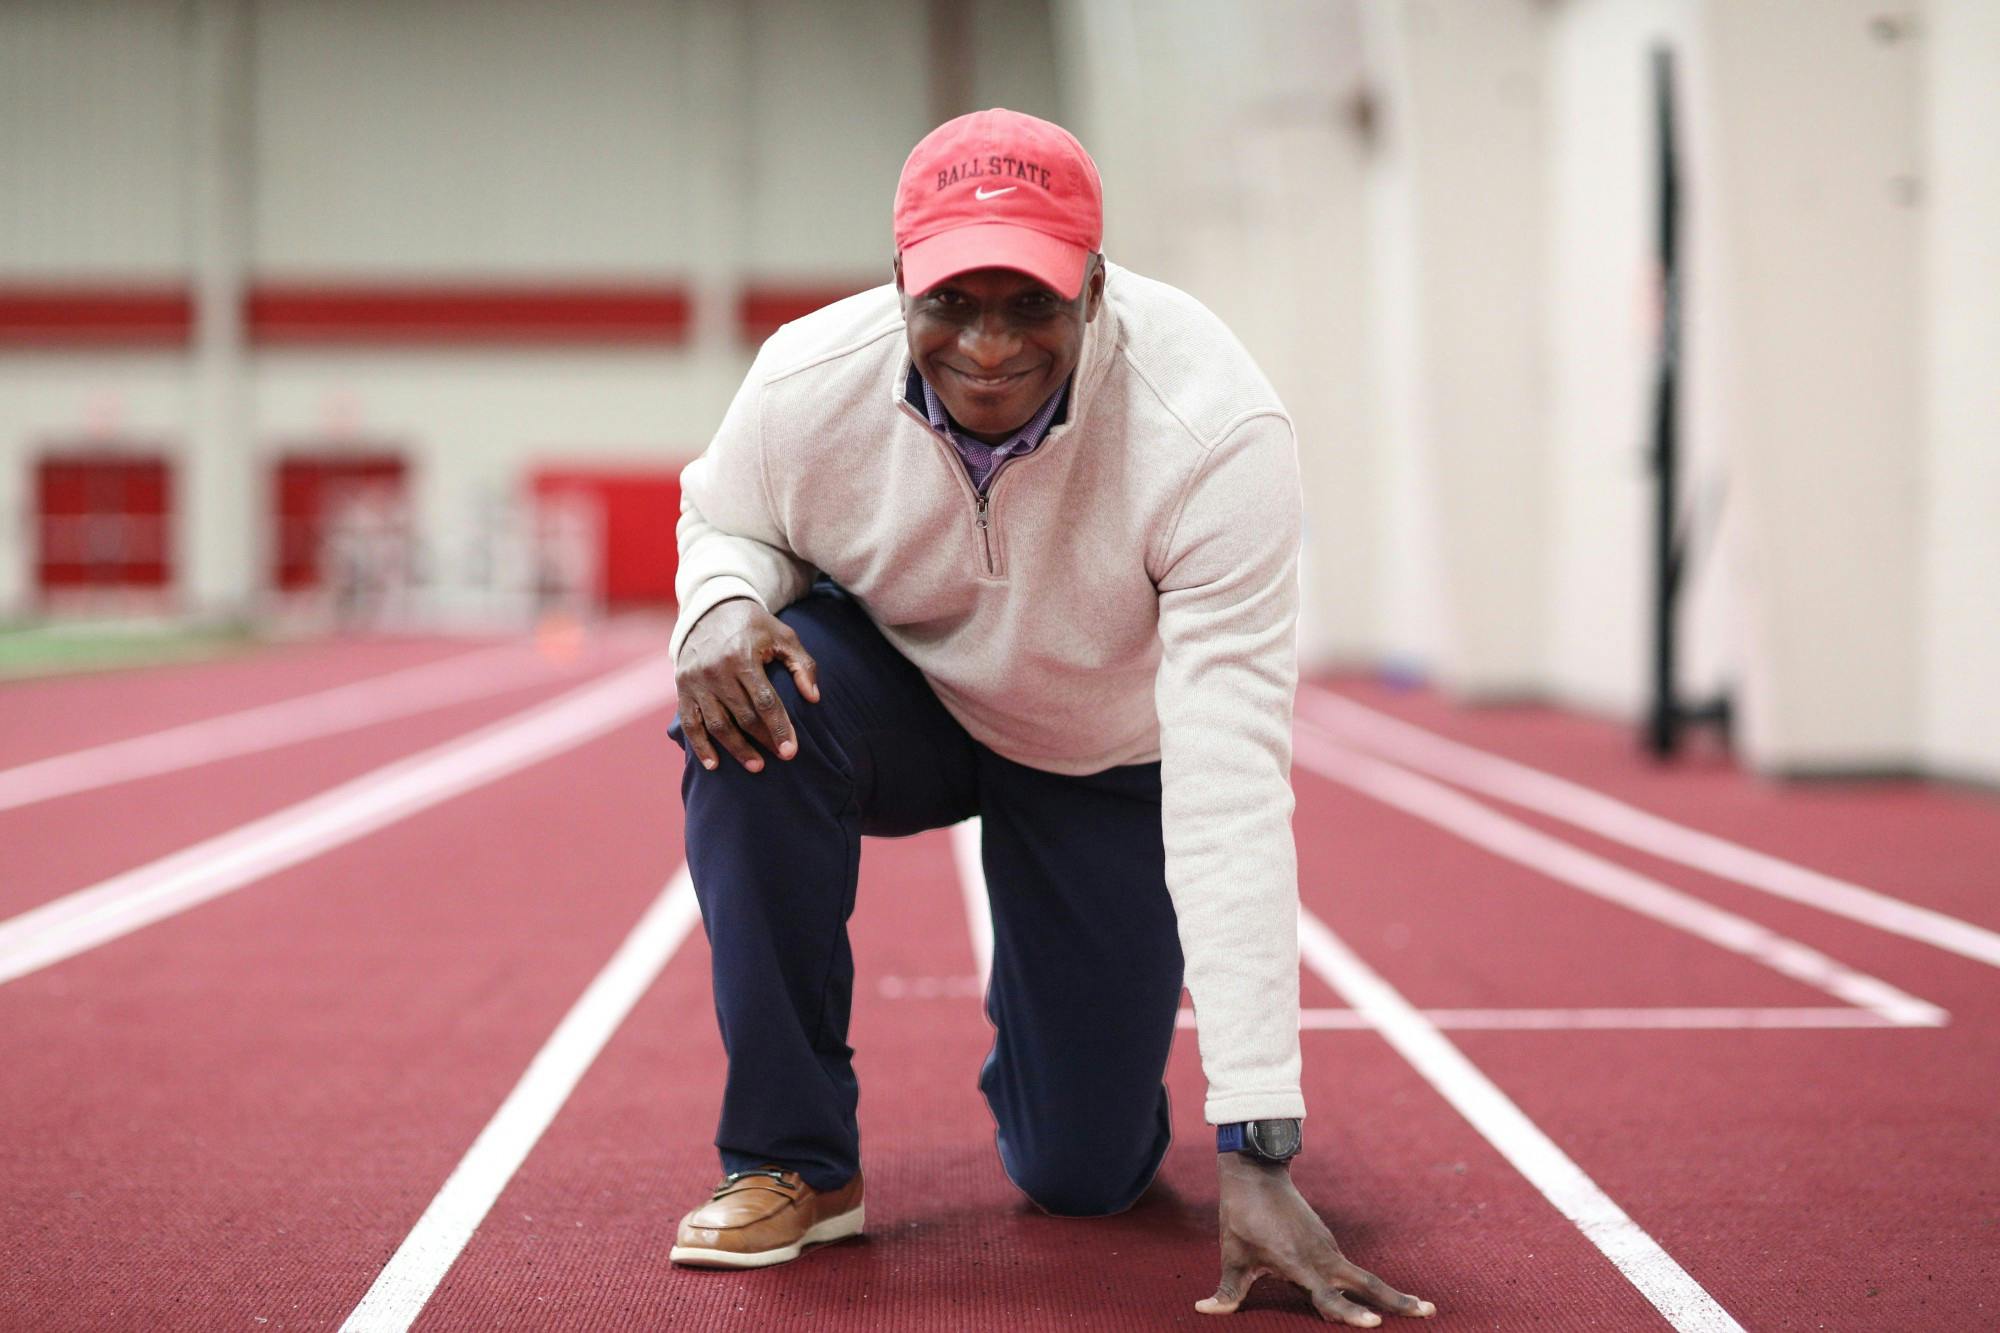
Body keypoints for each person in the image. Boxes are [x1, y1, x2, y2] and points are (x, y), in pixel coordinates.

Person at [665, 107, 1435, 1325]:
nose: (985, 344)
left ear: (1093, 284)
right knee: (749, 705)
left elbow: (1230, 782)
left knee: (1081, 1178)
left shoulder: (1212, 430)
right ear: (897, 284)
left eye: (1028, 304)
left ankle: (1055, 1041)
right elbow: (727, 519)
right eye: (951, 303)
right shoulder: (808, 380)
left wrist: (1256, 1142)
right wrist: (713, 604)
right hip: (902, 694)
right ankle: (791, 1161)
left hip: (1100, 750)